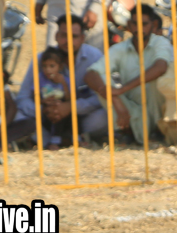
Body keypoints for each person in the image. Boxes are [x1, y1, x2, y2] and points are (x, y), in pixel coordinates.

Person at [11, 15, 106, 148]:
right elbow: (23, 98)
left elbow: (100, 98)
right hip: (46, 119)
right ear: (56, 36)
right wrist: (45, 110)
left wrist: (71, 107)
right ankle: (58, 141)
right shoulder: (42, 59)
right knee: (15, 114)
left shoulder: (94, 57)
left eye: (74, 36)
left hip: (81, 118)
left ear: (82, 39)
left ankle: (65, 138)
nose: (68, 41)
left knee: (105, 116)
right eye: (64, 35)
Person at [85, 5, 175, 145]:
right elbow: (90, 74)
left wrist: (122, 89)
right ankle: (127, 131)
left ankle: (156, 131)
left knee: (158, 80)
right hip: (132, 110)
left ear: (154, 24)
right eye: (135, 24)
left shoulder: (160, 43)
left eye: (144, 24)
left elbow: (160, 67)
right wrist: (116, 100)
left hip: (157, 109)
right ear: (128, 25)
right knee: (102, 80)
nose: (139, 28)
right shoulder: (120, 48)